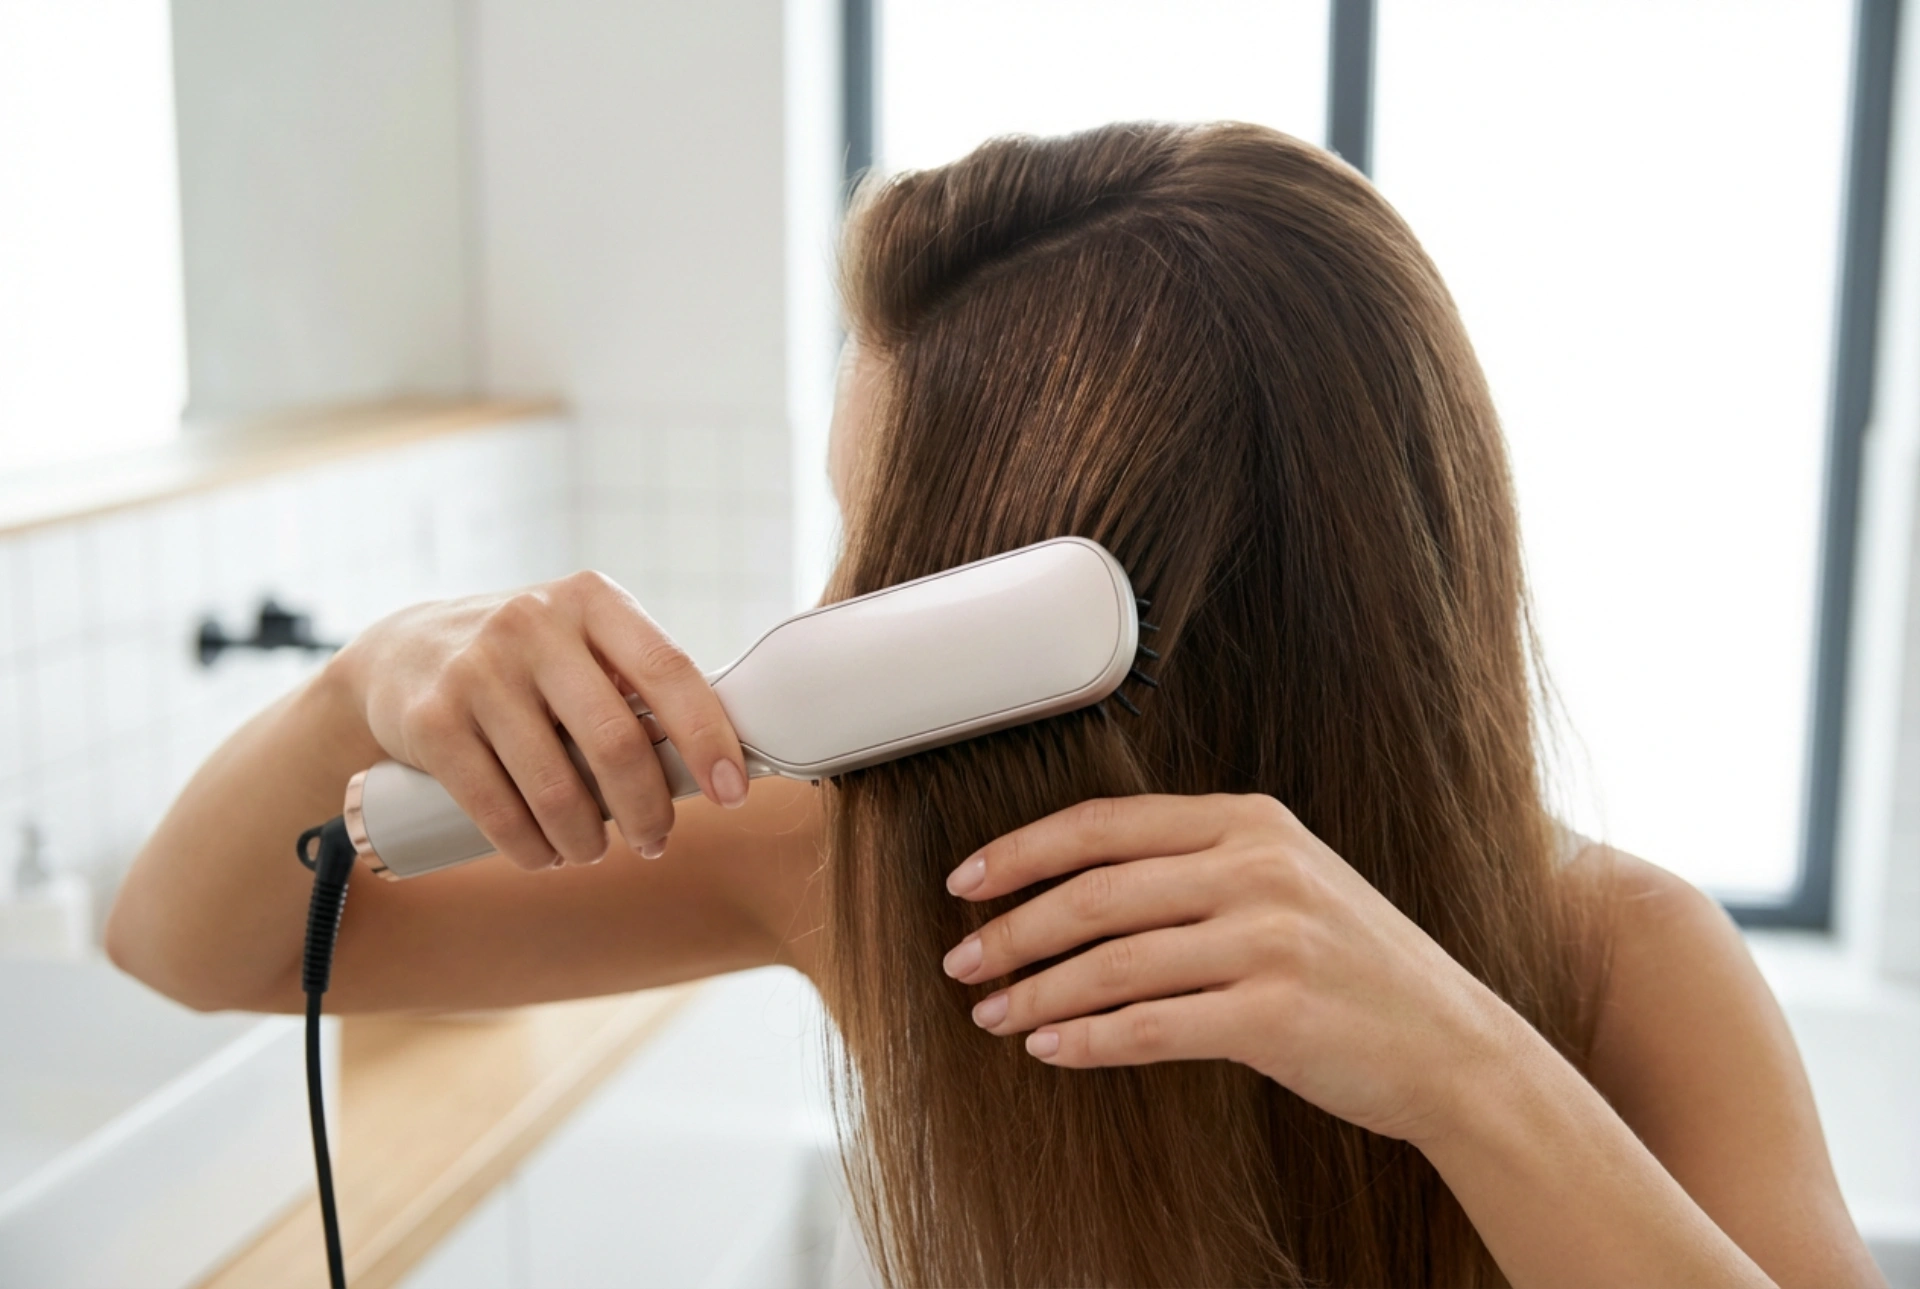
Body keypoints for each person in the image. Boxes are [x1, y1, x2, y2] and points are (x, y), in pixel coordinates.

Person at [108, 123, 1883, 1287]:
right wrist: (370, 680)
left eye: (884, 562)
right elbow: (205, 942)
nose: (822, 621)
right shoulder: (849, 873)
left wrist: (1463, 1072)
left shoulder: (1623, 967)